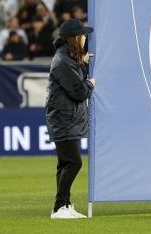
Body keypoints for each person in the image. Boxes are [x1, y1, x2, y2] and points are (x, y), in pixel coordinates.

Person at [46, 19, 95, 220]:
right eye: (83, 35)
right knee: (73, 163)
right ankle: (59, 207)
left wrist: (82, 65)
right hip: (64, 119)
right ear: (75, 38)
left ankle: (65, 205)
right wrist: (91, 84)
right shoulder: (62, 62)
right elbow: (78, 91)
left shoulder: (67, 59)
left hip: (67, 118)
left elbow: (76, 82)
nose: (85, 38)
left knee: (65, 164)